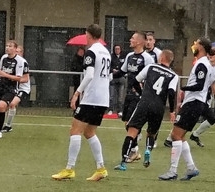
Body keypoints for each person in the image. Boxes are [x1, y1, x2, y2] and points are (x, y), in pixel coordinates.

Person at [53, 24, 112, 181]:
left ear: (89, 35)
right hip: (103, 98)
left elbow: (90, 75)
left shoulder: (91, 52)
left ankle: (69, 169)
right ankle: (101, 168)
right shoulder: (106, 52)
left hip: (92, 98)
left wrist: (77, 93)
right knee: (89, 132)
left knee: (75, 130)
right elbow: (108, 76)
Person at [159, 37, 214, 181]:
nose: (193, 46)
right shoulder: (203, 63)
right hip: (194, 103)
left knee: (175, 135)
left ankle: (172, 171)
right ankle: (191, 168)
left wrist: (184, 88)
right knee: (180, 136)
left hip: (193, 103)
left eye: (196, 44)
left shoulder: (202, 64)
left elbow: (200, 85)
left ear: (201, 47)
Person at [112, 50, 178, 171]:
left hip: (145, 103)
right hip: (158, 107)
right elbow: (171, 93)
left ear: (161, 57)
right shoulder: (174, 75)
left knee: (132, 132)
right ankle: (148, 149)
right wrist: (172, 111)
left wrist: (142, 93)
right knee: (151, 133)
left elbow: (135, 81)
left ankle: (123, 162)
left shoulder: (151, 67)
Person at [120, 31, 156, 161]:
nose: (130, 40)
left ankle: (134, 150)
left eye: (133, 38)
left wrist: (145, 92)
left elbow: (152, 75)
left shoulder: (147, 58)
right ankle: (135, 149)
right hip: (129, 94)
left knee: (131, 124)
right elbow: (121, 72)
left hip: (139, 95)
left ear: (139, 41)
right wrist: (108, 76)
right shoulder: (129, 56)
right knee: (126, 123)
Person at [189, 47, 215, 147]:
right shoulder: (203, 64)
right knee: (189, 117)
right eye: (209, 53)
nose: (210, 55)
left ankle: (195, 135)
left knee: (211, 118)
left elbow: (213, 83)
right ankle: (172, 137)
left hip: (204, 97)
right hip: (194, 95)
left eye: (213, 54)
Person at [1, 44, 30, 132]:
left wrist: (14, 79)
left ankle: (8, 126)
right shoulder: (11, 62)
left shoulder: (23, 63)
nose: (16, 53)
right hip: (13, 87)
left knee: (12, 104)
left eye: (18, 52)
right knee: (3, 105)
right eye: (16, 51)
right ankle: (0, 123)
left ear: (22, 53)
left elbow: (25, 79)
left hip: (22, 88)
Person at [109, 43, 126, 115]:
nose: (117, 50)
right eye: (116, 49)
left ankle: (120, 110)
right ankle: (110, 109)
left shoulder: (124, 56)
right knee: (111, 95)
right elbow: (108, 66)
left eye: (118, 49)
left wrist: (120, 71)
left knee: (120, 96)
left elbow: (125, 66)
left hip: (121, 77)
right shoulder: (111, 56)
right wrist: (112, 70)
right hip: (113, 78)